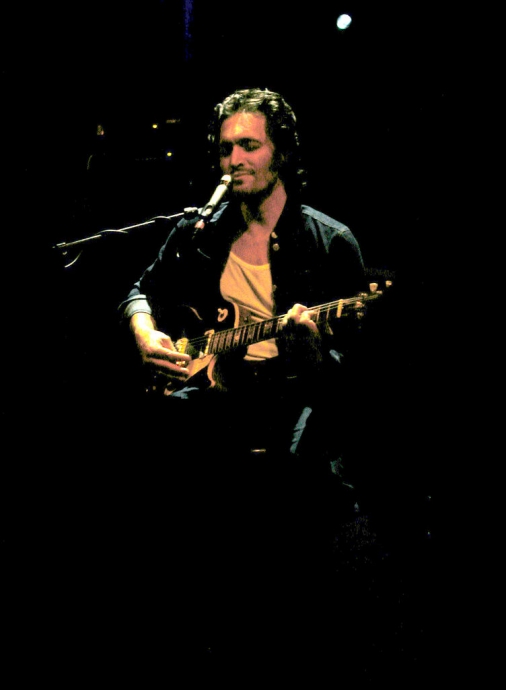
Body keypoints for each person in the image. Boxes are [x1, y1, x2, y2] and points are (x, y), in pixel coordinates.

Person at [117, 87, 370, 663]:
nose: (234, 160)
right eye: (226, 148)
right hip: (218, 400)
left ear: (282, 152)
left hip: (294, 404)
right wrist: (143, 331)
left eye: (250, 146)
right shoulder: (201, 232)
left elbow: (356, 381)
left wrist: (313, 355)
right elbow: (140, 289)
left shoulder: (330, 242)